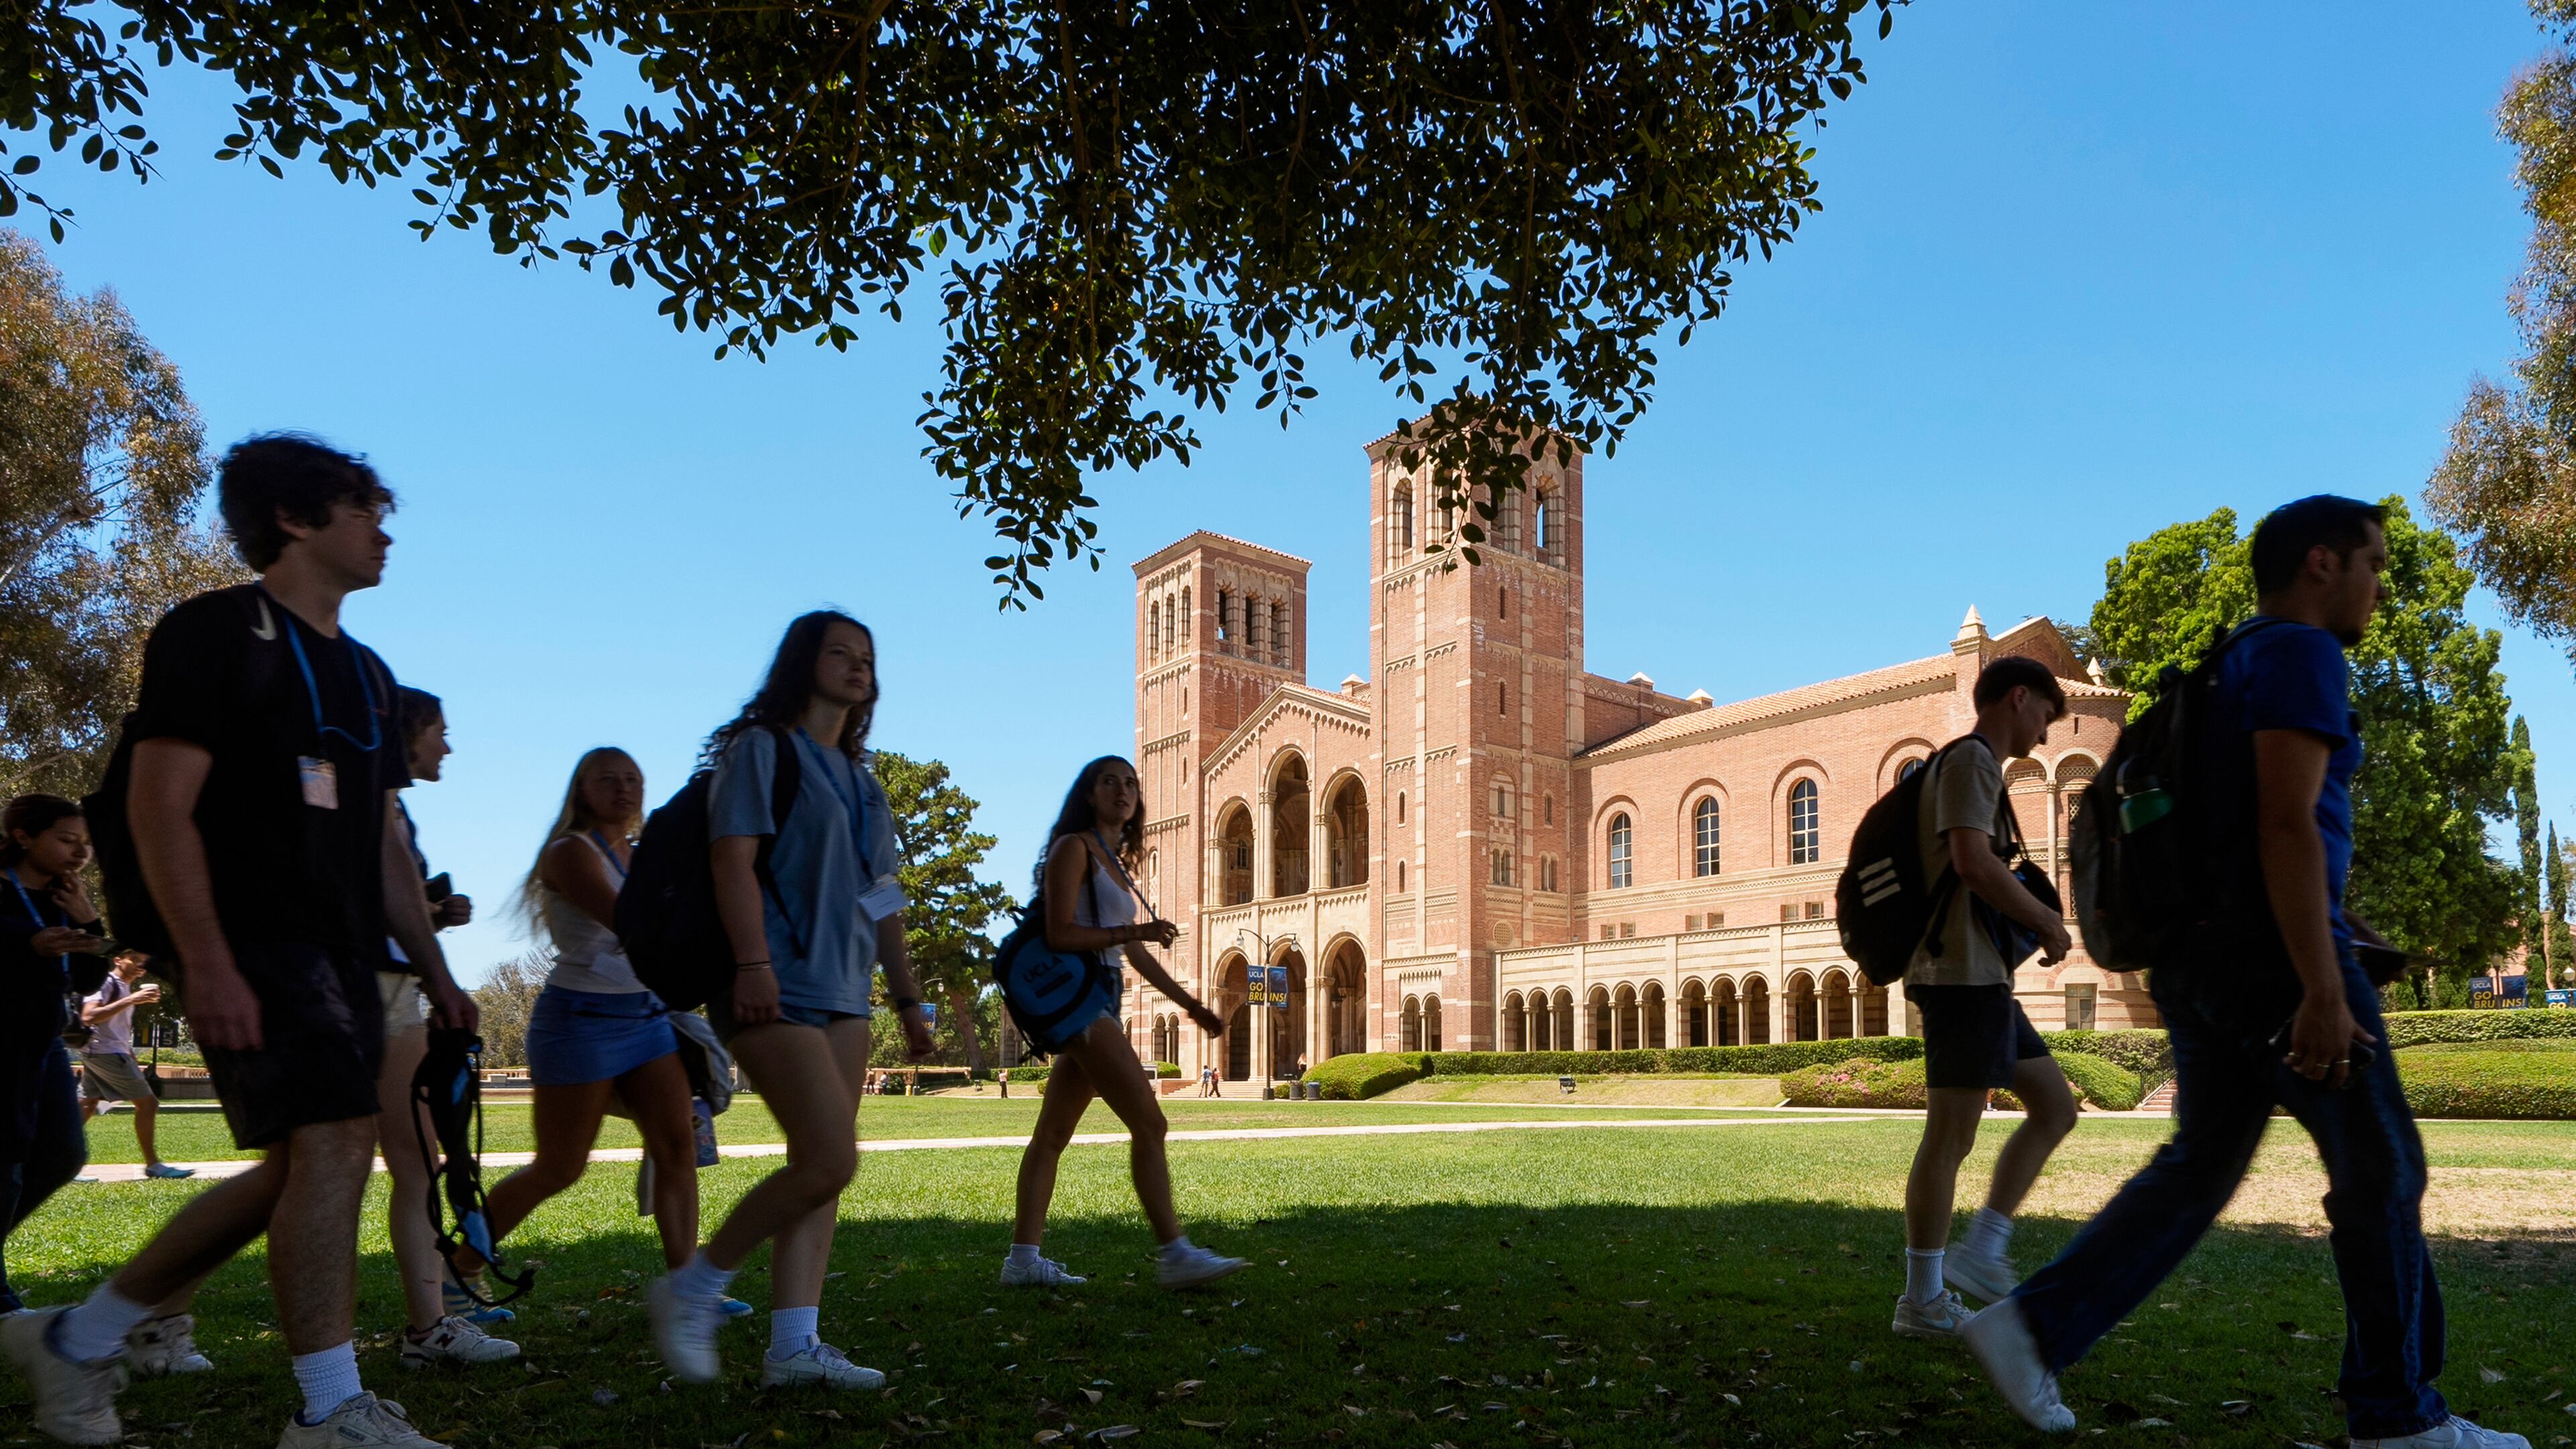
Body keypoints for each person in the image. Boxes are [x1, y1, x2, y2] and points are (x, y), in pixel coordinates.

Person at [1965, 496, 2520, 1449]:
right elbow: (2286, 823)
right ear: (2319, 564)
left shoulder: (2226, 664)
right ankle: (2395, 1416)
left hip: (2196, 958)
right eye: (2372, 565)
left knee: (2201, 1168)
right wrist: (2320, 983)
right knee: (2383, 1166)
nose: (2380, 586)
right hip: (2269, 960)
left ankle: (2031, 1326)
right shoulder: (2302, 654)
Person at [1, 435, 475, 1449]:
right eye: (361, 509)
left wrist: (435, 972)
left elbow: (387, 843)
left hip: (346, 955)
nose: (383, 530)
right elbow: (160, 806)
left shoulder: (371, 675)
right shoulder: (215, 633)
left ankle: (81, 1341)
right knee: (338, 1146)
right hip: (250, 942)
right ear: (296, 520)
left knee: (297, 1170)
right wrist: (203, 959)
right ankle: (330, 1409)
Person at [648, 611, 936, 1391]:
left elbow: (882, 898)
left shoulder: (864, 783)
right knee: (830, 1157)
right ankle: (697, 1286)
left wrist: (908, 1000)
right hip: (769, 982)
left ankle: (793, 1346)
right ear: (802, 663)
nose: (857, 667)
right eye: (839, 653)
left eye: (867, 658)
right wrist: (750, 963)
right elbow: (730, 861)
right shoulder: (762, 752)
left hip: (847, 993)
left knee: (821, 1169)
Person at [441, 749, 741, 1318]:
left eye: (633, 780)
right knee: (560, 1167)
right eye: (608, 779)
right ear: (582, 790)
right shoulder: (568, 853)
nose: (623, 789)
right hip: (580, 1022)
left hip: (647, 1018)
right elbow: (634, 923)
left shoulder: (643, 853)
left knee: (677, 1145)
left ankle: (686, 1291)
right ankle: (460, 1270)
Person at [1890, 655, 2080, 1340]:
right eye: (2045, 716)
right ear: (2018, 698)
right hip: (1959, 977)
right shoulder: (1971, 761)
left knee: (2055, 1107)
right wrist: (2047, 919)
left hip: (1984, 979)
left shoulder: (1976, 768)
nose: (2046, 733)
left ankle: (1984, 1248)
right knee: (1950, 1138)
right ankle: (1923, 1299)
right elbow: (1972, 863)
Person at [1000, 756, 1242, 1291]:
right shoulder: (1074, 849)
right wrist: (1126, 935)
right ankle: (1174, 1252)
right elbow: (1060, 933)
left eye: (1131, 782)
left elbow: (1137, 950)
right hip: (1081, 999)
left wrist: (1191, 1004)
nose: (1123, 790)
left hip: (1103, 996)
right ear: (1089, 793)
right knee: (1150, 1123)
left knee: (1052, 1135)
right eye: (1109, 781)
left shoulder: (1115, 861)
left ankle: (1021, 1260)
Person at [370, 686, 520, 1365]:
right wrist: (439, 973)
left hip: (395, 992)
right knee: (337, 1170)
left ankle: (434, 1320)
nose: (449, 746)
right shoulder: (371, 803)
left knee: (420, 1165)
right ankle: (144, 1308)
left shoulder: (390, 806)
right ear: (409, 731)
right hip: (371, 992)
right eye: (440, 731)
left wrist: (433, 918)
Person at [2, 798, 108, 1316]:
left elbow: (88, 980)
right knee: (6, 1162)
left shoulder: (66, 897)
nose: (81, 851)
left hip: (42, 1044)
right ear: (24, 836)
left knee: (64, 1154)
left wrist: (88, 923)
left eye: (84, 842)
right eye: (67, 839)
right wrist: (29, 945)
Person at [76, 952, 193, 1179]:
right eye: (135, 959)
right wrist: (132, 1000)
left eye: (144, 961)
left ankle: (62, 1165)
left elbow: (114, 1027)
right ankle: (153, 1165)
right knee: (148, 1105)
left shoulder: (124, 987)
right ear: (119, 960)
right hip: (106, 1053)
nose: (142, 965)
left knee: (87, 1106)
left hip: (104, 1052)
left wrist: (129, 1053)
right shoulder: (106, 982)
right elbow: (88, 1017)